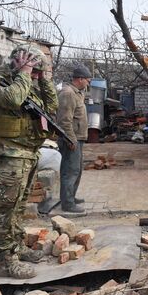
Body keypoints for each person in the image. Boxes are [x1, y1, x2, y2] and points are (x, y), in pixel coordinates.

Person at [0, 45, 58, 279]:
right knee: (5, 210)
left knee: (19, 208)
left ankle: (17, 247)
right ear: (17, 62)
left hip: (26, 154)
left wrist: (43, 80)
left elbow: (51, 108)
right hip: (7, 157)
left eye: (36, 73)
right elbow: (12, 100)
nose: (33, 76)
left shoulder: (25, 84)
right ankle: (6, 261)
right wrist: (24, 73)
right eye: (33, 71)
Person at [56, 64, 91, 213]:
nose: (89, 83)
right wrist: (70, 139)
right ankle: (68, 203)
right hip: (72, 138)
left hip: (78, 138)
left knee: (76, 169)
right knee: (70, 170)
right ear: (80, 79)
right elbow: (64, 120)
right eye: (88, 80)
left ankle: (71, 197)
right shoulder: (68, 93)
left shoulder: (78, 92)